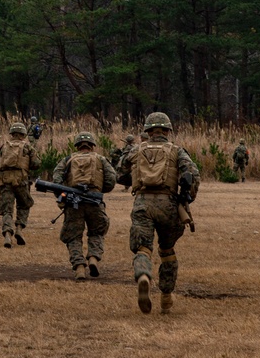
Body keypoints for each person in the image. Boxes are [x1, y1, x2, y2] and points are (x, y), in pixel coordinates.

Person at [117, 112, 200, 315]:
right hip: (169, 204)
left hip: (142, 203)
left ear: (148, 131)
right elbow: (193, 176)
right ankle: (165, 297)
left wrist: (136, 178)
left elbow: (119, 173)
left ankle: (144, 274)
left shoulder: (136, 150)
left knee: (143, 248)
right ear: (167, 130)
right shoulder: (177, 151)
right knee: (167, 250)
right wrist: (186, 199)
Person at [52, 132, 117, 280]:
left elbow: (56, 178)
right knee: (97, 231)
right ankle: (93, 258)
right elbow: (111, 179)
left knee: (73, 236)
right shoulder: (101, 159)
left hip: (74, 203)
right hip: (94, 201)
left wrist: (65, 195)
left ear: (76, 145)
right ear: (93, 145)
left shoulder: (68, 159)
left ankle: (79, 267)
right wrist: (98, 190)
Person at [0, 122, 40, 248]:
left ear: (12, 133)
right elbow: (36, 164)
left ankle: (8, 234)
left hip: (5, 181)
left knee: (7, 209)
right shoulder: (28, 147)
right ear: (23, 134)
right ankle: (19, 228)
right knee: (24, 205)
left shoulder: (4, 146)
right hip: (21, 181)